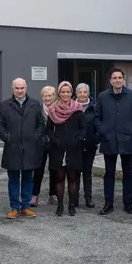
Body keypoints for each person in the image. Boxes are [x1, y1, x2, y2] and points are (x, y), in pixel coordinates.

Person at [95, 68, 132, 215]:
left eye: (119, 78)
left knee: (128, 173)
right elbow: (97, 117)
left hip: (128, 140)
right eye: (114, 78)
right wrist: (103, 131)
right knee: (109, 173)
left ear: (123, 79)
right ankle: (108, 204)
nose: (117, 80)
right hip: (109, 140)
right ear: (110, 80)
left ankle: (128, 203)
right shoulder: (103, 96)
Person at [0, 78, 45, 219]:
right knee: (13, 179)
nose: (20, 90)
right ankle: (14, 208)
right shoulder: (4, 105)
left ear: (26, 88)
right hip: (12, 147)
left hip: (30, 147)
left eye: (22, 88)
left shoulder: (34, 104)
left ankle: (25, 207)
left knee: (28, 179)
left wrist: (35, 137)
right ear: (12, 89)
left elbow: (40, 124)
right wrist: (7, 137)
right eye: (17, 88)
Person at [45, 81, 87, 216]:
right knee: (59, 178)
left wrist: (78, 139)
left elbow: (84, 127)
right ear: (59, 93)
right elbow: (49, 129)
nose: (65, 94)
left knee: (73, 178)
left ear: (71, 93)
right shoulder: (53, 109)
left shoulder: (78, 109)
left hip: (74, 149)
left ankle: (71, 205)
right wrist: (55, 140)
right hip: (58, 149)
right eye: (63, 92)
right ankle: (60, 206)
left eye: (68, 92)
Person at [32, 86, 57, 207]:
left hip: (54, 144)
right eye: (45, 96)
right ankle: (34, 195)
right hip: (40, 144)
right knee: (38, 170)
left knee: (54, 169)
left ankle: (53, 194)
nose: (48, 98)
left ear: (54, 96)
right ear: (42, 97)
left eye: (50, 95)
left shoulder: (58, 109)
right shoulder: (37, 110)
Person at [74, 83, 98, 208]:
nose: (82, 95)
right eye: (80, 92)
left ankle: (88, 198)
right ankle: (75, 198)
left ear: (88, 93)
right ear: (76, 94)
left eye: (85, 92)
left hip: (90, 145)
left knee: (87, 172)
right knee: (75, 172)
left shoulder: (94, 108)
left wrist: (96, 139)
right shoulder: (72, 107)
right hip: (75, 145)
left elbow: (98, 124)